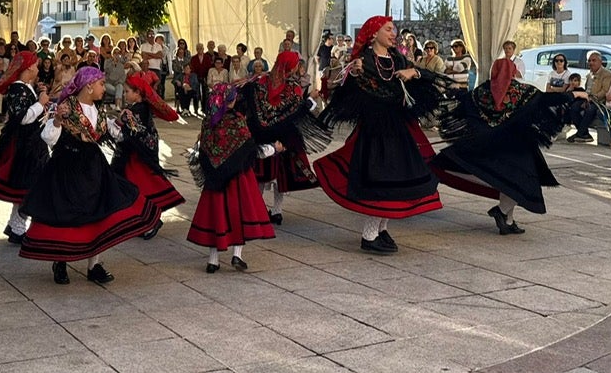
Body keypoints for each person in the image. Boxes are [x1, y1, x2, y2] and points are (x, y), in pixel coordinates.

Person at [18, 66, 160, 286]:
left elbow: (112, 133)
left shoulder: (98, 110)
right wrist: (57, 120)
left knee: (99, 213)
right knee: (65, 214)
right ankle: (61, 262)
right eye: (102, 84)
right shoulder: (66, 107)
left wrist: (121, 121)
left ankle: (94, 265)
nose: (105, 88)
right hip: (67, 166)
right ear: (89, 85)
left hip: (94, 166)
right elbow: (48, 138)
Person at [314, 16, 444, 254]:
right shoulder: (362, 61)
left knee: (395, 179)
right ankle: (369, 234)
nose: (393, 34)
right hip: (376, 131)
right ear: (374, 34)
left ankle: (381, 229)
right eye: (388, 30)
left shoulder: (396, 58)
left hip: (396, 126)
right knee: (382, 179)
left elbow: (427, 75)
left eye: (393, 30)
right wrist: (354, 75)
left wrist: (411, 72)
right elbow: (345, 90)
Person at [432, 44, 580, 235]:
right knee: (521, 183)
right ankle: (501, 213)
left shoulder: (482, 92)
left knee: (509, 183)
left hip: (483, 146)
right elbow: (546, 99)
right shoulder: (520, 91)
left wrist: (450, 97)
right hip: (514, 149)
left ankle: (507, 220)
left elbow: (464, 103)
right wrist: (575, 94)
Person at [186, 83, 278, 273]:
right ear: (232, 99)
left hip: (214, 180)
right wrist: (274, 149)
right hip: (238, 178)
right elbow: (250, 150)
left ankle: (213, 260)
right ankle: (237, 255)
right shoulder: (237, 120)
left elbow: (204, 150)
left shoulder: (208, 121)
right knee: (240, 213)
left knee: (215, 215)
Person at [246, 50, 329, 225]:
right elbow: (297, 112)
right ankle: (276, 211)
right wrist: (312, 99)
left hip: (262, 136)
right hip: (285, 138)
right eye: (295, 64)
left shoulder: (260, 82)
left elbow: (254, 108)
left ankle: (257, 210)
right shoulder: (292, 86)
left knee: (261, 174)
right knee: (280, 177)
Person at [0, 51, 49, 244]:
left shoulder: (27, 87)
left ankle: (16, 226)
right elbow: (24, 118)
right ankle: (20, 229)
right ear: (27, 69)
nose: (37, 68)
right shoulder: (18, 89)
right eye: (35, 65)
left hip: (33, 143)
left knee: (27, 189)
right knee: (28, 188)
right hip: (26, 146)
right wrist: (40, 103)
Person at [111, 70, 185, 240]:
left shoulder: (139, 108)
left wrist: (120, 123)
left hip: (140, 154)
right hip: (137, 153)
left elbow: (133, 131)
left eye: (128, 91)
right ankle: (144, 219)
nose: (125, 93)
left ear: (137, 93)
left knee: (145, 185)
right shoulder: (137, 107)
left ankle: (152, 219)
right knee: (138, 184)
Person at [565, 51, 611, 144]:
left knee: (590, 109)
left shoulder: (607, 74)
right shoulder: (589, 74)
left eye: (594, 60)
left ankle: (579, 134)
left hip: (599, 101)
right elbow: (587, 90)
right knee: (573, 107)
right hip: (587, 98)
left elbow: (604, 91)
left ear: (600, 61)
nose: (591, 63)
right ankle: (585, 134)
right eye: (589, 61)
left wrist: (591, 99)